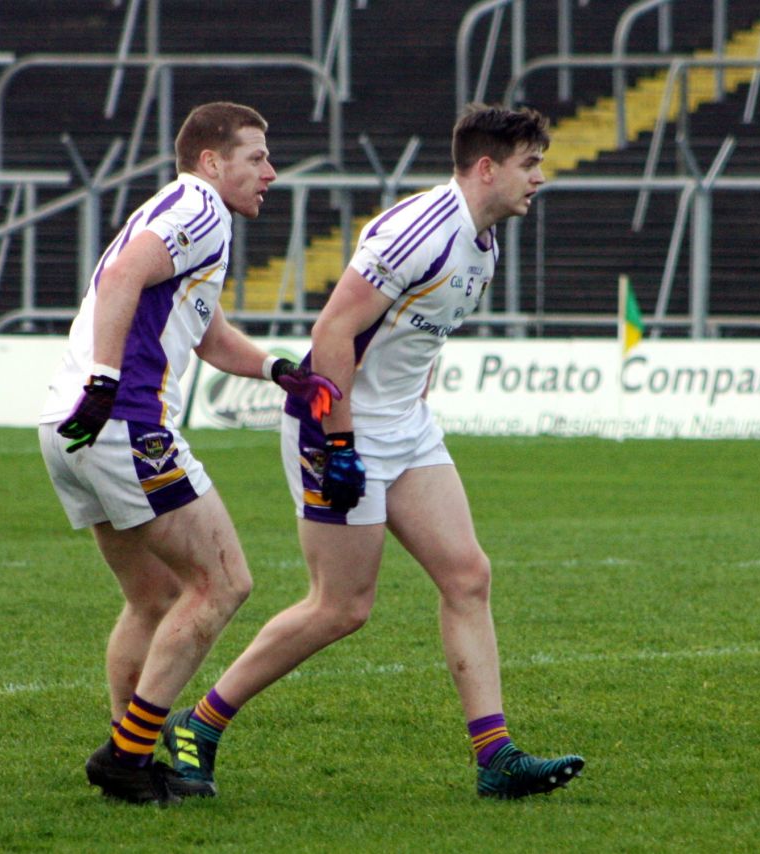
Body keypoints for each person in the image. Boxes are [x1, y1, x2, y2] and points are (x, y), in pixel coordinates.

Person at [162, 104, 585, 801]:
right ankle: (199, 725)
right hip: (337, 425)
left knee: (468, 575)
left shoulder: (483, 244)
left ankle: (496, 757)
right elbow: (332, 332)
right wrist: (342, 444)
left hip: (404, 428)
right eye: (529, 164)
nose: (539, 178)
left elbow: (413, 343)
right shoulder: (420, 230)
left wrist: (405, 415)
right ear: (487, 168)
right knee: (341, 608)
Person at [38, 101, 338, 806]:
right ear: (211, 161)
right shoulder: (200, 208)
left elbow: (207, 334)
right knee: (224, 582)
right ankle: (128, 753)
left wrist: (276, 369)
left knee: (154, 598)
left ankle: (131, 760)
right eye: (257, 157)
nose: (271, 172)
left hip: (67, 425)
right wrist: (109, 384)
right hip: (122, 421)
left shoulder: (185, 212)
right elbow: (119, 283)